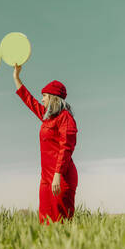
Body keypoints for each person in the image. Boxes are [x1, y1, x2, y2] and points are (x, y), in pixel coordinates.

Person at [13, 64, 78, 224]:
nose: (41, 99)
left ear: (53, 98)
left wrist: (57, 175)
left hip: (61, 177)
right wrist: (16, 77)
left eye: (44, 96)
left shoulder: (65, 118)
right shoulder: (46, 116)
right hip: (46, 178)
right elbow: (29, 101)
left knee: (61, 221)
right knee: (45, 221)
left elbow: (66, 148)